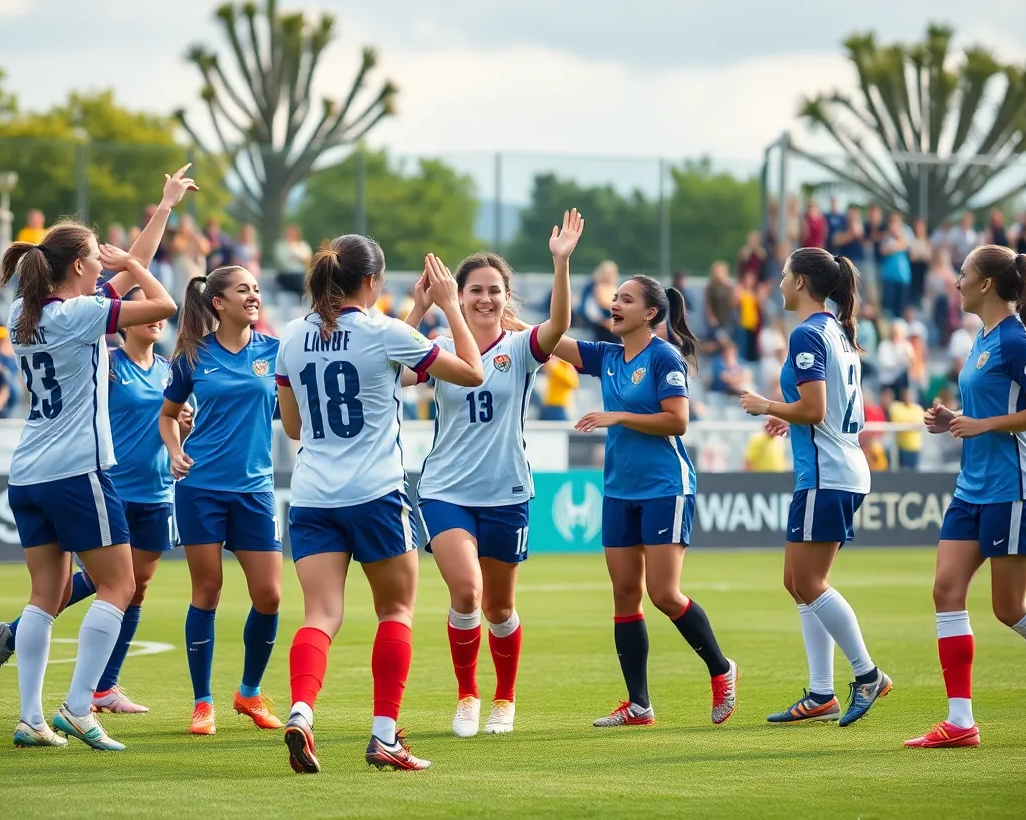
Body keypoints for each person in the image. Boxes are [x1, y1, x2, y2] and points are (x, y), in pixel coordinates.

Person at [0, 172, 197, 703]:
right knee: (119, 587)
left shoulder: (23, 311)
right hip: (77, 469)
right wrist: (138, 268)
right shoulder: (82, 314)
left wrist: (162, 208)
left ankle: (31, 717)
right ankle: (81, 704)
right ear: (78, 267)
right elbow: (164, 305)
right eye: (98, 256)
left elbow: (106, 289)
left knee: (44, 596)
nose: (107, 262)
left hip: (28, 470)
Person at [276, 240, 485, 774]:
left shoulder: (292, 337)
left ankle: (301, 712)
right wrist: (448, 305)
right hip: (375, 493)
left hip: (313, 495)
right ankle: (384, 735)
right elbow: (472, 372)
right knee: (395, 611)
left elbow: (295, 428)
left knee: (321, 615)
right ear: (372, 282)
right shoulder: (385, 331)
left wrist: (413, 314)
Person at [906, 245, 1026, 748]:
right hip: (972, 487)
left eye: (963, 273)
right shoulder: (982, 338)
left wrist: (984, 423)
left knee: (1009, 609)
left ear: (985, 284)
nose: (956, 281)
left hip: (1016, 489)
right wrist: (954, 421)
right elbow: (990, 408)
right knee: (946, 589)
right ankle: (961, 721)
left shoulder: (1015, 341)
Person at [405, 211, 582, 738]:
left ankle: (505, 698)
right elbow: (389, 364)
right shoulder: (436, 346)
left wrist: (561, 263)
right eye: (475, 290)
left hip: (507, 492)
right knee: (467, 593)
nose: (485, 299)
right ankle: (467, 696)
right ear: (458, 295)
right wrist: (418, 305)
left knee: (500, 606)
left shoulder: (521, 347)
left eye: (494, 291)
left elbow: (561, 326)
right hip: (443, 490)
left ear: (507, 297)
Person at [550, 275, 738, 729]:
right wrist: (502, 313)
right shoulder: (609, 356)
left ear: (650, 314)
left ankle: (722, 669)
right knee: (624, 595)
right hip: (618, 489)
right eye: (615, 297)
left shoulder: (664, 356)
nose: (614, 304)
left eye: (625, 299)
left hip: (664, 488)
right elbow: (552, 337)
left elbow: (678, 421)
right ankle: (639, 705)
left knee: (664, 594)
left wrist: (617, 416)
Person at [740, 247, 892, 728]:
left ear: (802, 283)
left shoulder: (808, 333)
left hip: (829, 474)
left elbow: (813, 407)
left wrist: (769, 406)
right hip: (835, 465)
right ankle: (822, 693)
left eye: (785, 276)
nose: (779, 284)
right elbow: (827, 407)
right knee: (796, 583)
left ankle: (867, 674)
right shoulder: (836, 331)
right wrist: (795, 420)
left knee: (808, 582)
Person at [160, 264, 283, 737]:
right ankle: (202, 702)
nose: (254, 295)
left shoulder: (274, 352)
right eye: (243, 289)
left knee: (269, 595)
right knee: (207, 591)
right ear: (218, 303)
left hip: (255, 490)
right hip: (201, 487)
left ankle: (249, 693)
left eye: (256, 287)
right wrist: (174, 451)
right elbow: (168, 416)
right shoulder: (193, 356)